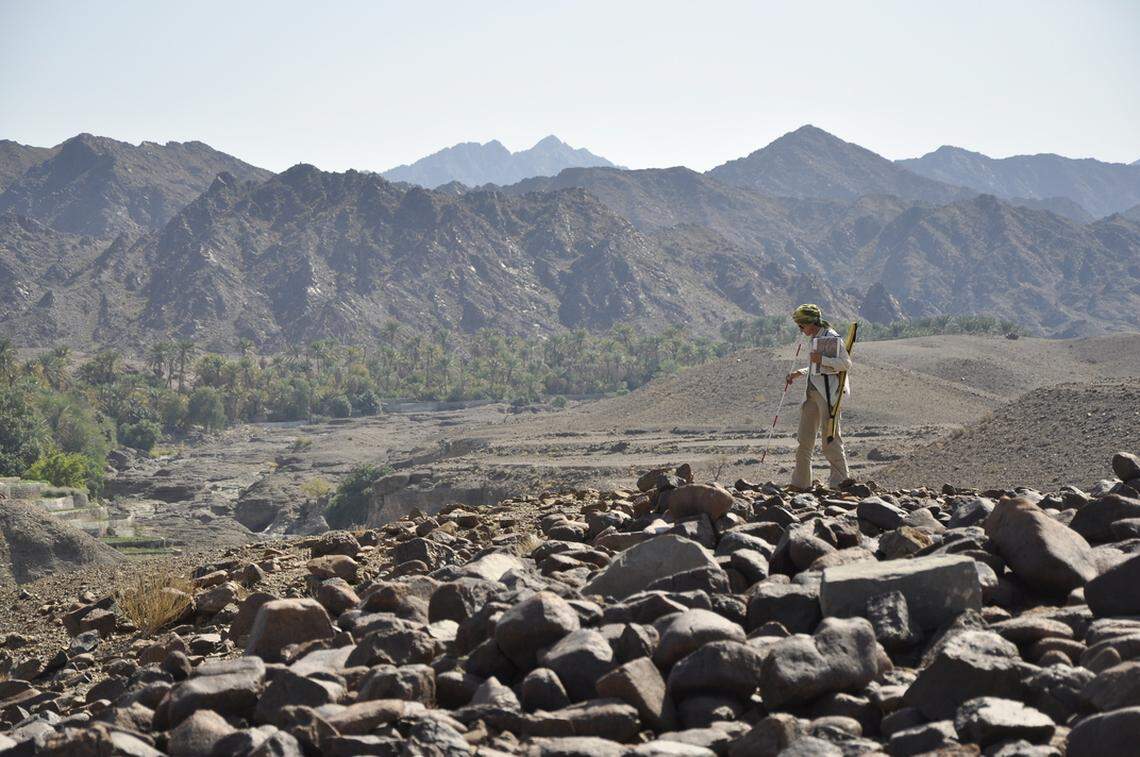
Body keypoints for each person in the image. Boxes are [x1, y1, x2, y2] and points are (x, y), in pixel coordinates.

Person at [784, 303, 851, 491]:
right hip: (811, 394)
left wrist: (821, 359)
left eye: (801, 325)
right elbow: (817, 368)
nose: (800, 329)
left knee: (830, 440)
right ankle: (800, 484)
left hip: (828, 395)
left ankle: (840, 484)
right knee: (804, 440)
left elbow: (845, 363)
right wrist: (800, 372)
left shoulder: (831, 337)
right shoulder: (815, 337)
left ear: (811, 323)